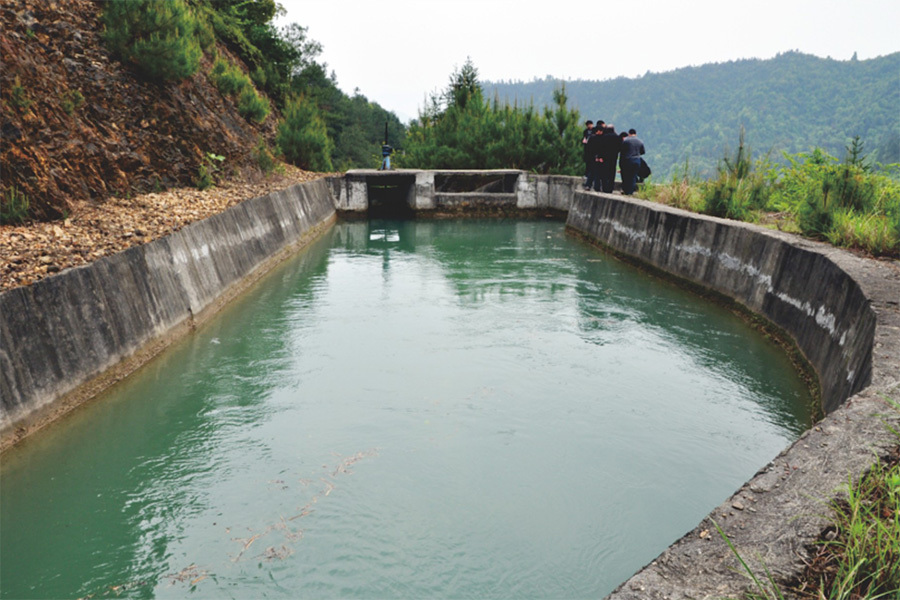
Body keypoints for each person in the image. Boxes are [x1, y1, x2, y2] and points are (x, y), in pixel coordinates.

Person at [619, 129, 645, 195]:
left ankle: (626, 191)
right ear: (635, 134)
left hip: (627, 160)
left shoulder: (626, 141)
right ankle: (631, 192)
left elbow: (622, 152)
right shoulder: (640, 141)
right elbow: (642, 152)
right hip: (637, 161)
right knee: (633, 176)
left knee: (626, 176)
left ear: (629, 134)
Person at [596, 124, 621, 193]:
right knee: (612, 172)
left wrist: (600, 156)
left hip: (605, 157)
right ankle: (610, 188)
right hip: (613, 157)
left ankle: (605, 187)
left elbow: (600, 148)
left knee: (604, 173)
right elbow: (620, 148)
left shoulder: (604, 137)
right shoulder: (617, 137)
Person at [584, 122, 606, 191]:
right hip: (597, 158)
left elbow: (588, 148)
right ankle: (596, 187)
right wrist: (600, 157)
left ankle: (588, 185)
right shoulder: (601, 139)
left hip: (592, 157)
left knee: (592, 172)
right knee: (598, 173)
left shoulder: (591, 138)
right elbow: (602, 149)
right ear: (598, 131)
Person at [581, 120, 594, 187]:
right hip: (587, 148)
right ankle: (586, 173)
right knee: (587, 162)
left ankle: (589, 174)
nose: (589, 126)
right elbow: (584, 138)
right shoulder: (585, 131)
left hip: (592, 149)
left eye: (590, 125)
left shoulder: (594, 130)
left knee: (591, 163)